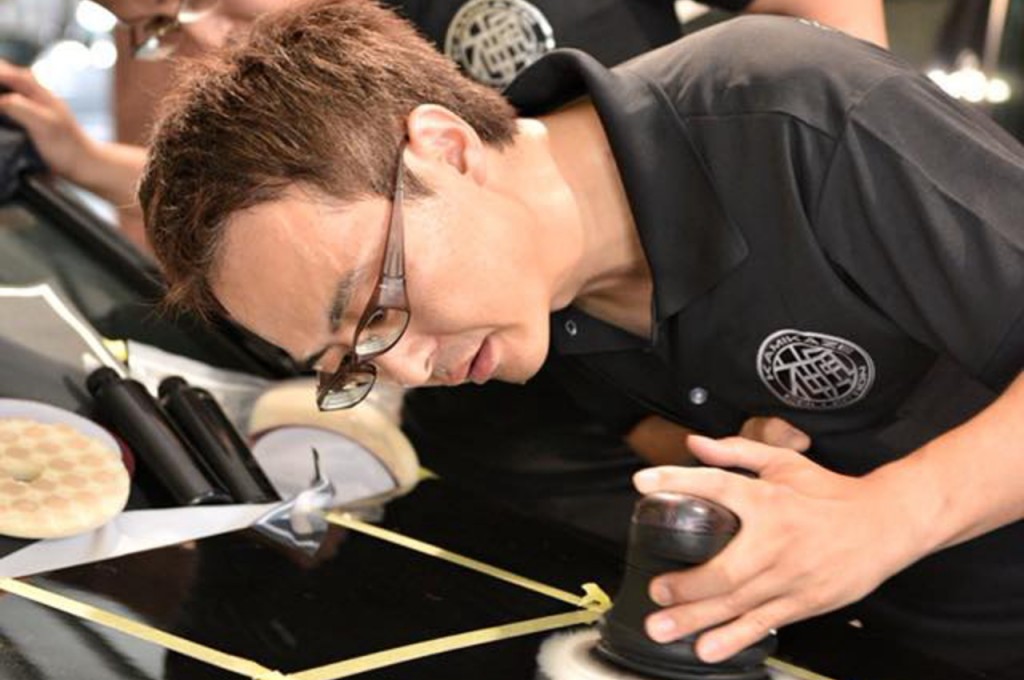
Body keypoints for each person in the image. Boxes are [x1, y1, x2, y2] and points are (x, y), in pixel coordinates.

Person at [137, 0, 1024, 676]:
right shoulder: (534, 314)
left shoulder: (792, 115)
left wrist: (887, 515)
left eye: (374, 307)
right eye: (347, 365)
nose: (404, 367)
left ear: (443, 148)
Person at [0, 0, 887, 251]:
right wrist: (80, 159)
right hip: (588, 397)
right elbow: (281, 195)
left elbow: (820, 39)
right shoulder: (319, 71)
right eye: (158, 28)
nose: (203, 39)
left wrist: (817, 216)